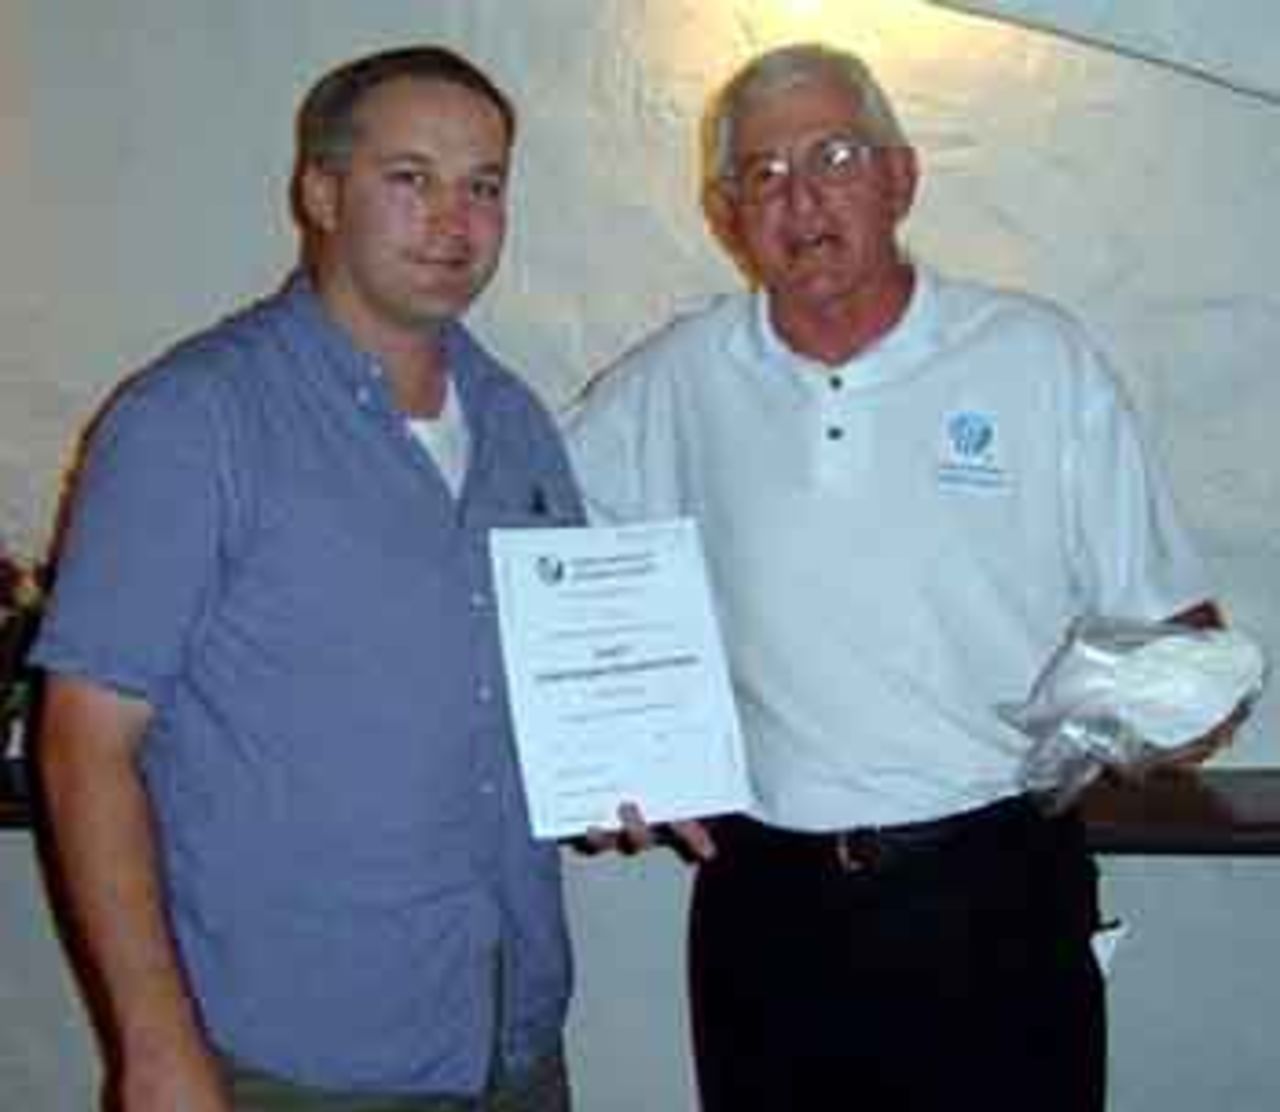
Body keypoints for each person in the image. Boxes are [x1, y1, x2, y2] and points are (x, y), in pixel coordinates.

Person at [567, 42, 1232, 1112]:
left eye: (833, 157)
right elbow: (543, 562)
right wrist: (596, 752)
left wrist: (1180, 704)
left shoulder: (1035, 359)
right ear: (726, 213)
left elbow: (1177, 629)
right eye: (763, 173)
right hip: (766, 907)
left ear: (900, 178)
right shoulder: (670, 383)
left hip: (996, 889)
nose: (800, 199)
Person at [34, 46, 582, 1112]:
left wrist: (611, 761)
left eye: (483, 186)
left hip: (510, 1036)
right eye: (411, 177)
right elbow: (83, 743)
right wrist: (154, 1047)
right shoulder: (191, 420)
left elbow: (531, 689)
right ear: (321, 193)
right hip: (288, 1055)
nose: (455, 220)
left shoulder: (516, 423)